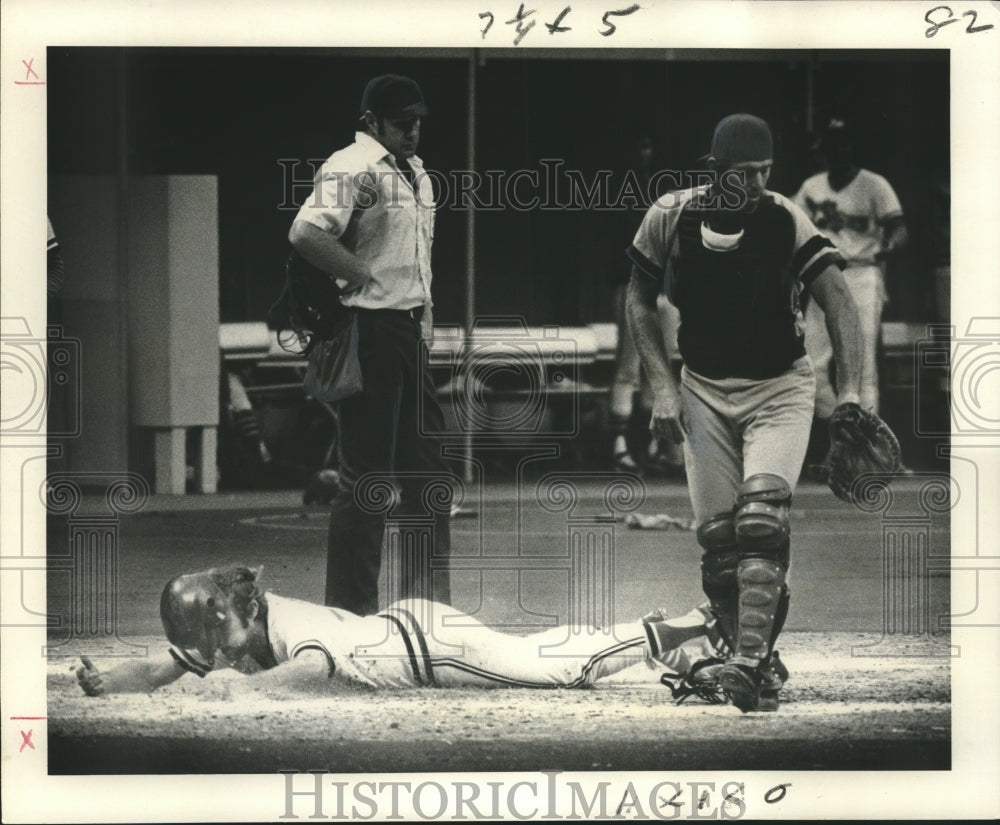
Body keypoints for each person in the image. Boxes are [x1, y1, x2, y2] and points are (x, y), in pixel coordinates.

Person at [625, 113, 862, 713]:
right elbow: (638, 298)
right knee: (718, 543)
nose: (758, 182)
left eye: (765, 170)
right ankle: (755, 655)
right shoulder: (671, 215)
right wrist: (662, 385)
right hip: (701, 387)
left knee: (761, 520)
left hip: (779, 387)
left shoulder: (783, 216)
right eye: (745, 171)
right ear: (714, 170)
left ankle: (749, 665)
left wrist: (852, 390)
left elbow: (838, 300)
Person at [288, 75, 450, 615]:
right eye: (401, 121)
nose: (413, 129)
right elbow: (307, 232)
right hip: (368, 327)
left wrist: (423, 320)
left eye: (417, 119)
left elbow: (418, 258)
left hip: (406, 329)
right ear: (372, 122)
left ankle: (427, 612)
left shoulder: (417, 175)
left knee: (428, 476)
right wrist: (359, 276)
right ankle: (350, 614)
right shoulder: (352, 166)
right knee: (367, 479)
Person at [75, 565, 725, 696]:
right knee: (537, 653)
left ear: (226, 613)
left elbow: (313, 669)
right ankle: (667, 633)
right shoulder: (236, 626)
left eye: (210, 637)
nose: (210, 655)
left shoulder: (283, 625)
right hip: (409, 630)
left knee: (555, 670)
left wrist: (244, 691)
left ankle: (688, 624)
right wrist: (107, 681)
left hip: (430, 647)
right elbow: (163, 667)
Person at [793, 118, 908, 418]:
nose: (839, 149)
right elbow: (794, 225)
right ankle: (842, 434)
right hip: (823, 274)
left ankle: (865, 444)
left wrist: (888, 247)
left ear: (853, 146)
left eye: (845, 142)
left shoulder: (874, 184)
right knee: (812, 365)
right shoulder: (812, 186)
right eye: (833, 143)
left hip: (861, 273)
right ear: (825, 149)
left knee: (862, 366)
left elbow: (898, 227)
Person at [608, 135, 684, 475]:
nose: (646, 153)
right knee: (629, 364)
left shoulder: (669, 201)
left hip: (663, 290)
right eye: (640, 147)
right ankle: (619, 444)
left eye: (649, 147)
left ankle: (655, 443)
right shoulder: (619, 198)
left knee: (662, 366)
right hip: (632, 287)